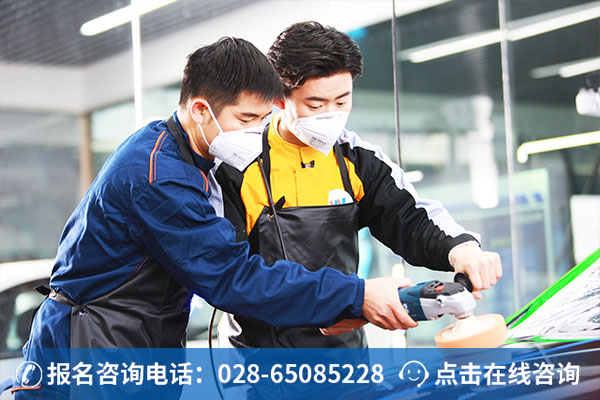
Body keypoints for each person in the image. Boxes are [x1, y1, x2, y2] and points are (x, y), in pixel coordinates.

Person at [13, 37, 415, 398]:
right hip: (93, 346)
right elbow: (230, 277)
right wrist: (354, 295)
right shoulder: (158, 174)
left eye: (263, 119)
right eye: (246, 119)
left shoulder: (184, 154)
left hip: (137, 343)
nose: (257, 133)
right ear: (200, 110)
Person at [213, 22, 503, 348]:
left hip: (346, 356)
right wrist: (351, 297)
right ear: (279, 98)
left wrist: (460, 249)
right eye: (316, 105)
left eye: (342, 102)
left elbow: (409, 216)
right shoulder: (236, 166)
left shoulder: (357, 159)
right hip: (258, 363)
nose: (331, 115)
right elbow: (233, 277)